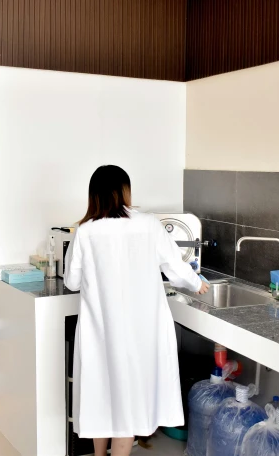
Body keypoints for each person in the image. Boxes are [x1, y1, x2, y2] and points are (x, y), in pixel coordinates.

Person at [64, 165, 210, 456]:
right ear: (124, 191)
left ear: (94, 195)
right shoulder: (148, 224)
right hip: (140, 334)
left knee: (102, 400)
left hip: (101, 334)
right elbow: (174, 266)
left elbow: (71, 281)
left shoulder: (86, 231)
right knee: (128, 405)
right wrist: (196, 284)